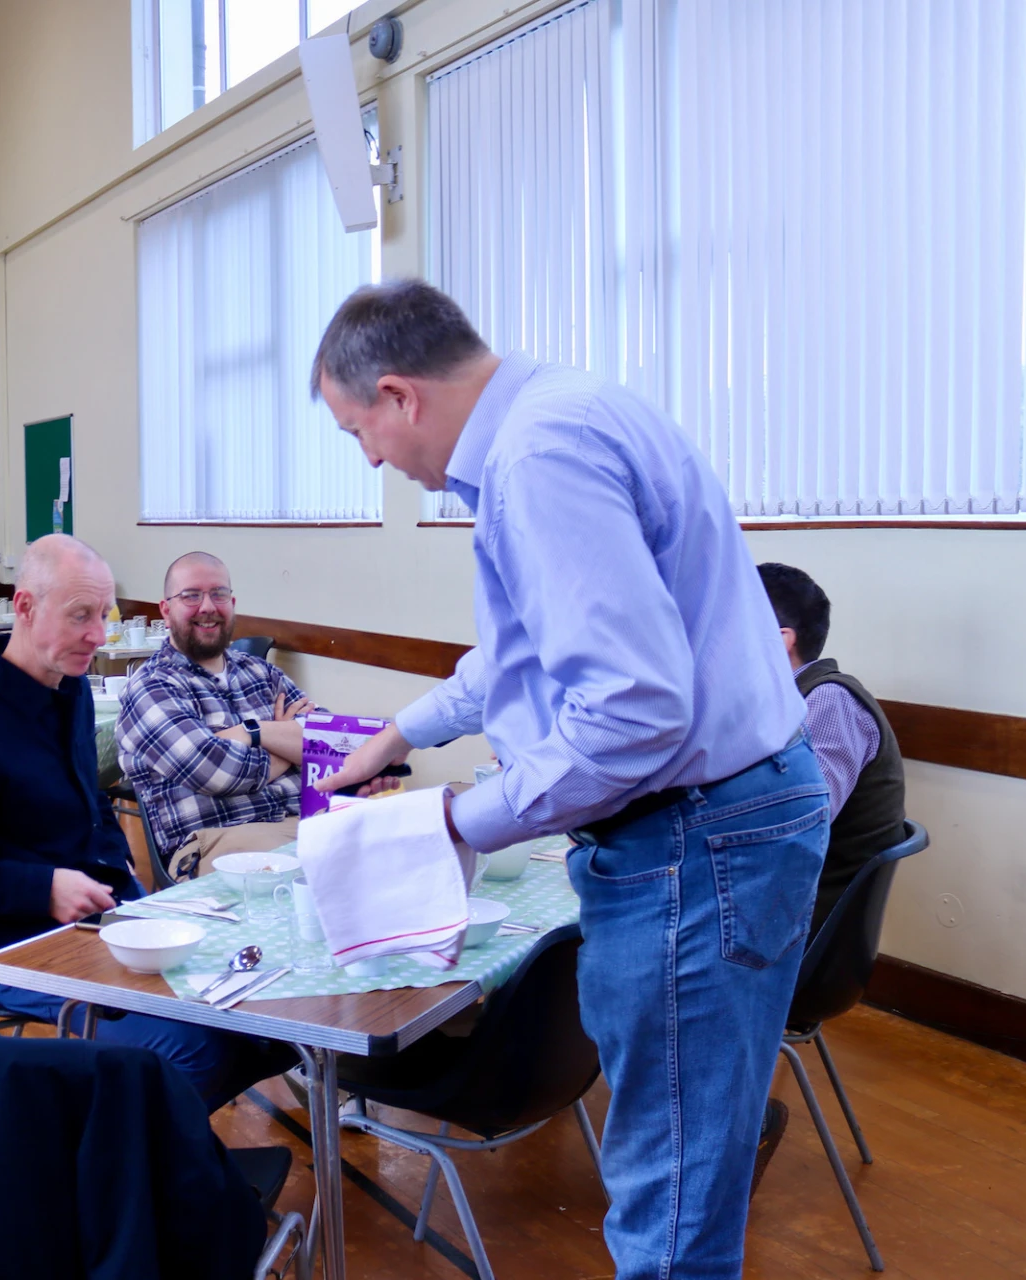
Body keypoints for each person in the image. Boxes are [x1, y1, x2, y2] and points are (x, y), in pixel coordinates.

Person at [309, 281, 825, 1280]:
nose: (369, 456)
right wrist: (395, 734)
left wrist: (457, 820)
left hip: (692, 836)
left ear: (400, 394)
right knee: (678, 1171)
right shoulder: (556, 417)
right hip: (722, 821)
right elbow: (524, 656)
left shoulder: (537, 459)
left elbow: (634, 709)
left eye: (356, 428)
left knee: (669, 1199)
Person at [0, 534, 292, 1111]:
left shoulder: (65, 687)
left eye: (104, 614)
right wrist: (43, 886)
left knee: (266, 1024)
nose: (99, 635)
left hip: (108, 918)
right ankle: (113, 1177)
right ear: (24, 608)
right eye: (81, 616)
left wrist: (113, 854)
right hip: (17, 940)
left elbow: (84, 794)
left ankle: (151, 1166)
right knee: (190, 1052)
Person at [749, 561, 907, 1191]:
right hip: (795, 924)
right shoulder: (795, 701)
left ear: (780, 636)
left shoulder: (830, 705)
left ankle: (729, 1122)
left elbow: (794, 829)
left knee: (635, 949)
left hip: (806, 950)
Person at [117, 551, 316, 879]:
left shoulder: (263, 673)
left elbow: (332, 744)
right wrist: (287, 745)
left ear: (232, 603)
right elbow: (214, 771)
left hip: (306, 823)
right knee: (303, 882)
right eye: (191, 595)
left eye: (218, 594)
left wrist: (254, 732)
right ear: (166, 611)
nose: (207, 607)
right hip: (220, 841)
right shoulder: (151, 687)